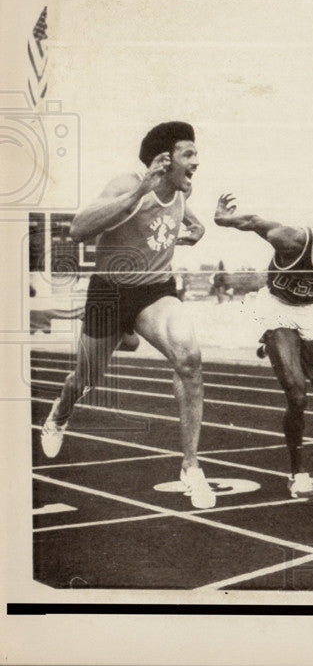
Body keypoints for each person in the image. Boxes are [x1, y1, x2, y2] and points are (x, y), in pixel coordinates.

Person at [39, 121, 218, 508]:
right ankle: (58, 414)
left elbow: (180, 208)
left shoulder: (182, 188)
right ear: (164, 160)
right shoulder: (127, 183)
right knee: (85, 377)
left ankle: (191, 467)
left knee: (190, 359)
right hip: (110, 293)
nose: (196, 162)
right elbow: (77, 229)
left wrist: (197, 225)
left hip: (155, 292)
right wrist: (140, 191)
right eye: (189, 154)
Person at [214, 193, 313, 498]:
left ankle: (296, 354)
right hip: (276, 308)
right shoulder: (295, 240)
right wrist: (223, 218)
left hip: (312, 311)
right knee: (297, 396)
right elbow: (254, 222)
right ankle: (298, 473)